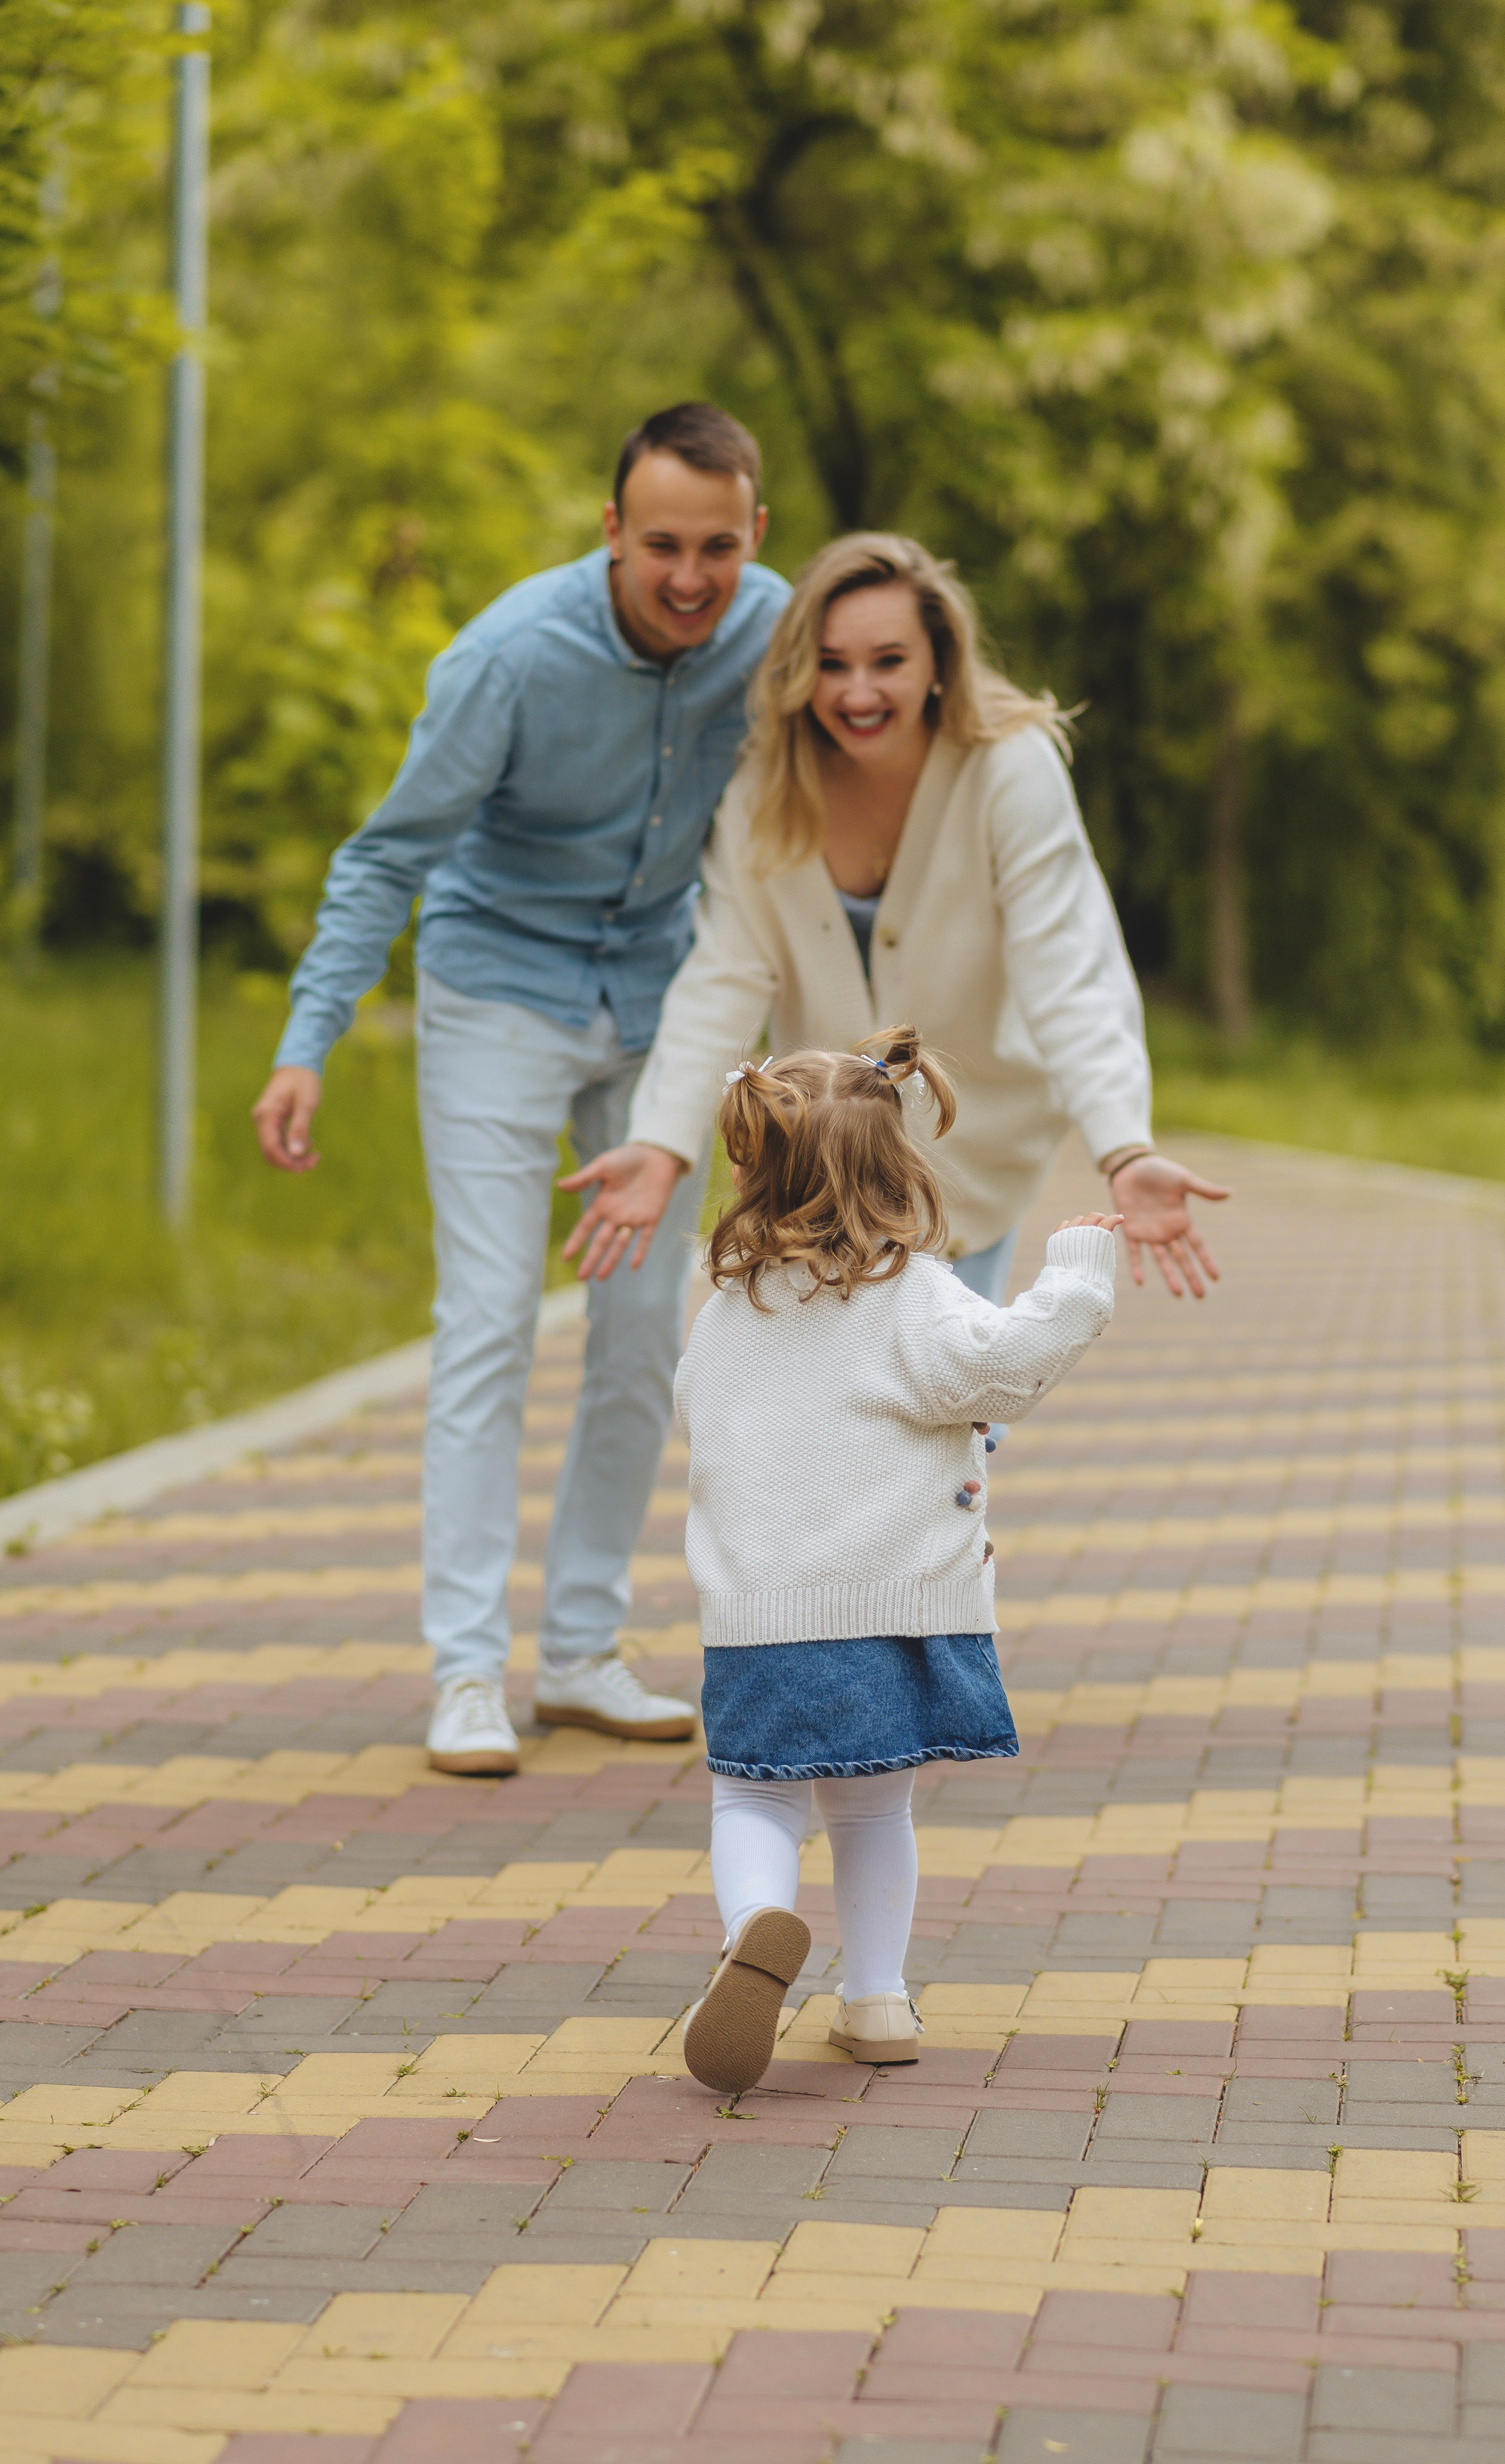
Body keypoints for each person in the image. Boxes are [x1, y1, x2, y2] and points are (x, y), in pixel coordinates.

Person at [249, 405, 791, 1778]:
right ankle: (463, 1670)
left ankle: (582, 1651)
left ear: (754, 537)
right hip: (500, 991)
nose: (688, 578)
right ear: (609, 529)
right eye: (659, 543)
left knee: (644, 1326)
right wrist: (307, 1039)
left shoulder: (775, 627)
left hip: (663, 1002)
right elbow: (385, 856)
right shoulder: (506, 657)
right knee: (488, 1314)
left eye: (715, 548)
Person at [561, 530, 1229, 1308]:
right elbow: (722, 978)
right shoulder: (763, 793)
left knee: (956, 1402)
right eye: (832, 664)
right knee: (832, 1401)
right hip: (821, 1159)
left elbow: (1066, 969)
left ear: (940, 662)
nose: (857, 692)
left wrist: (1123, 1147)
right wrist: (659, 1141)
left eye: (889, 661)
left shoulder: (1009, 768)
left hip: (965, 1151)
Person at [673, 1029, 1119, 2094]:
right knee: (875, 1811)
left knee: (754, 1803)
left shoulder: (731, 1308)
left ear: (753, 1168)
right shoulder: (916, 1293)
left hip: (760, 1615)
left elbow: (696, 1411)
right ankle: (875, 1998)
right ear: (899, 1169)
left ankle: (757, 1926)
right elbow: (1003, 1375)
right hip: (898, 1611)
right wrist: (1079, 1280)